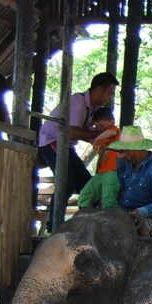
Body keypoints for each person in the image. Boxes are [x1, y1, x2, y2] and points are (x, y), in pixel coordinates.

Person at [37, 71, 119, 229]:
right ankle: (53, 227)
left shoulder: (94, 110)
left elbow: (87, 136)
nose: (110, 98)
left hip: (65, 147)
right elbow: (72, 132)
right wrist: (100, 134)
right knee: (66, 182)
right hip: (51, 142)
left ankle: (84, 227)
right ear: (99, 90)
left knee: (90, 187)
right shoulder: (78, 101)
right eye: (109, 93)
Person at [111, 126, 152, 238]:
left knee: (143, 234)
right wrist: (121, 162)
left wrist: (140, 211)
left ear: (133, 149)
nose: (123, 152)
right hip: (123, 211)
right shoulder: (129, 165)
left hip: (145, 217)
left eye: (125, 149)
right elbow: (123, 184)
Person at [76, 107, 121, 210]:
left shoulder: (114, 131)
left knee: (108, 201)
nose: (100, 129)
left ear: (111, 122)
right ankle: (84, 218)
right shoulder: (102, 136)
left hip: (112, 171)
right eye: (98, 126)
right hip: (101, 172)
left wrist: (97, 138)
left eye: (102, 125)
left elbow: (112, 132)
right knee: (84, 196)